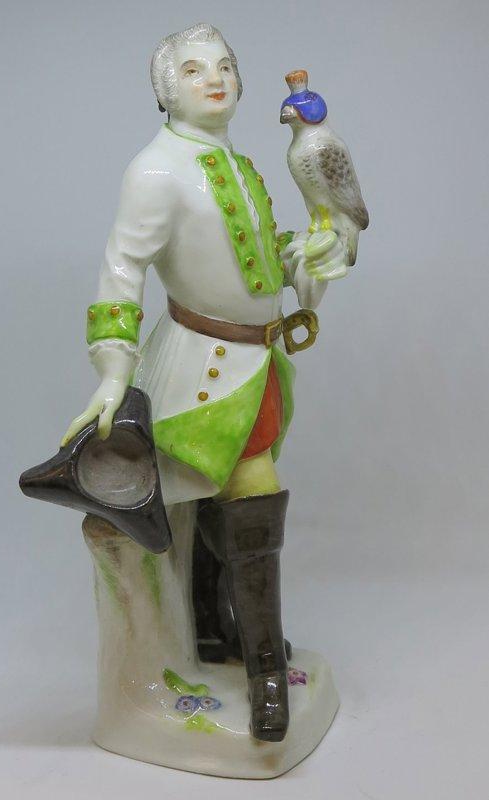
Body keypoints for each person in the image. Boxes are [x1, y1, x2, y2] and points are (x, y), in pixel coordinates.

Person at [62, 23, 348, 742]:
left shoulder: (236, 161)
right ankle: (264, 673)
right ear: (165, 89)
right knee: (250, 498)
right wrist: (113, 368)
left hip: (256, 362)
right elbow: (122, 268)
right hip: (204, 370)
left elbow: (256, 259)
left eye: (224, 66)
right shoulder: (155, 171)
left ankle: (218, 633)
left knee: (215, 503)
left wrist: (305, 254)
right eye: (194, 70)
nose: (214, 79)